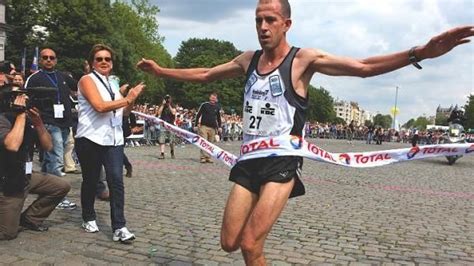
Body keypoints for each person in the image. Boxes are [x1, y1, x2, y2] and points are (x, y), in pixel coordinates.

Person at [137, 0, 473, 263]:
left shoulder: (302, 61)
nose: (263, 27)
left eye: (270, 20)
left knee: (251, 243)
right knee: (230, 243)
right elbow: (207, 73)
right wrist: (160, 69)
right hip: (248, 160)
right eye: (258, 20)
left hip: (281, 161)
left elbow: (363, 67)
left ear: (287, 24)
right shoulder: (248, 60)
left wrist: (421, 53)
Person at [75, 44, 144, 243]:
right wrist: (127, 98)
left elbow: (124, 112)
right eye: (99, 59)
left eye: (107, 59)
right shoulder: (86, 80)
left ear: (112, 64)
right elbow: (99, 106)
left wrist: (131, 100)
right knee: (91, 180)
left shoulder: (112, 84)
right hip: (90, 138)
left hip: (113, 139)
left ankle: (119, 226)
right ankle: (88, 216)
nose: (104, 62)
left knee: (116, 180)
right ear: (92, 63)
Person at [0, 92, 70, 240]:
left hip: (24, 175)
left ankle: (30, 219)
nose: (25, 102)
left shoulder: (28, 121)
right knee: (7, 233)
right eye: (21, 99)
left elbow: (48, 146)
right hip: (7, 182)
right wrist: (20, 116)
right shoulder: (3, 119)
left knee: (60, 186)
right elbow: (12, 145)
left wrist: (38, 123)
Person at [24, 48, 78, 210]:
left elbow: (78, 87)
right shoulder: (35, 78)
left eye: (52, 57)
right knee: (56, 158)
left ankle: (48, 190)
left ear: (56, 60)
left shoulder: (63, 77)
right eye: (45, 57)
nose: (48, 60)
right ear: (40, 60)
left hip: (64, 122)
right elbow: (26, 97)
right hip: (48, 122)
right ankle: (59, 196)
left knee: (49, 160)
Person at [194, 92, 222, 163]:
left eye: (214, 98)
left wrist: (219, 127)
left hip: (213, 127)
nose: (213, 99)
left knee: (210, 144)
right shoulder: (204, 105)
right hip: (204, 126)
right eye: (212, 97)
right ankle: (203, 157)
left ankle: (208, 157)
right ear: (209, 98)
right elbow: (198, 115)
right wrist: (196, 125)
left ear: (216, 99)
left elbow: (218, 118)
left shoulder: (217, 107)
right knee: (204, 142)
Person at [156, 94, 176, 159]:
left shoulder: (173, 105)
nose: (167, 100)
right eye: (166, 98)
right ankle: (162, 153)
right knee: (162, 139)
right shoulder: (162, 105)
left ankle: (172, 151)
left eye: (168, 98)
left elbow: (173, 113)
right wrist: (162, 105)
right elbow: (158, 113)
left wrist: (169, 105)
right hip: (163, 124)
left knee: (171, 140)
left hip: (171, 124)